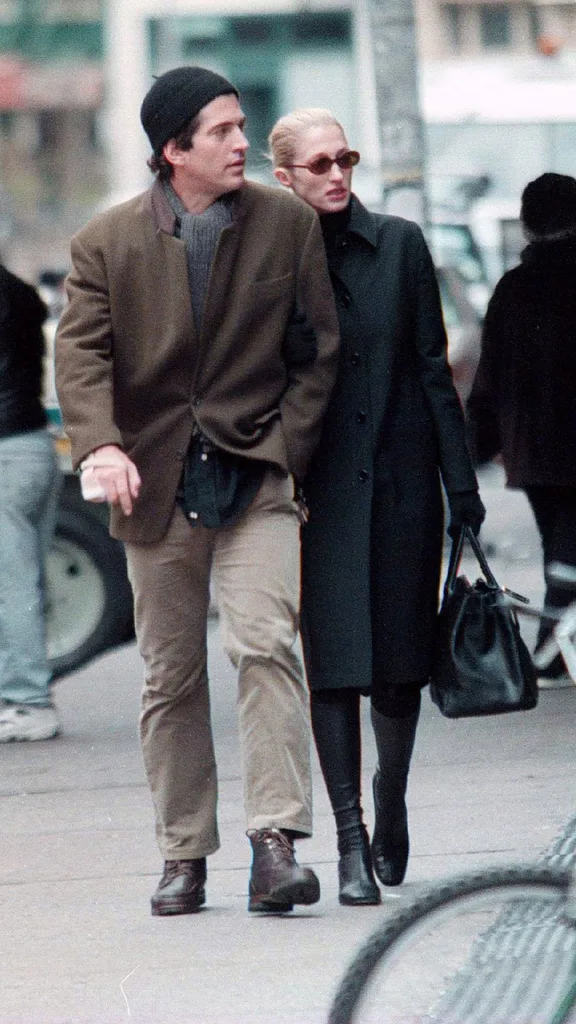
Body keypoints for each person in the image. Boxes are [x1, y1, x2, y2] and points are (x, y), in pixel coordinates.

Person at [55, 68, 339, 916]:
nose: (242, 142)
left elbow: (317, 351)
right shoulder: (104, 243)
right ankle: (184, 852)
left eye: (242, 126)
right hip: (155, 477)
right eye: (220, 131)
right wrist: (101, 441)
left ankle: (277, 843)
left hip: (255, 470)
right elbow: (81, 355)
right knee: (170, 676)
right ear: (172, 149)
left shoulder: (286, 224)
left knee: (265, 646)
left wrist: (285, 447)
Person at [269, 108, 484, 904]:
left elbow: (433, 369)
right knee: (333, 669)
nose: (335, 174)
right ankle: (351, 839)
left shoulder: (399, 245)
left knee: (399, 670)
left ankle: (391, 791)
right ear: (283, 176)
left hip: (402, 483)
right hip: (317, 490)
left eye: (345, 159)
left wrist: (461, 489)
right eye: (318, 164)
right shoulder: (272, 259)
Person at [467, 172, 576, 688]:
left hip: (533, 450)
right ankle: (550, 652)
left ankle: (554, 651)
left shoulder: (513, 289)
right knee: (567, 550)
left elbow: (489, 377)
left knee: (560, 541)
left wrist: (478, 446)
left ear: (530, 227)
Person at [0, 264, 61, 742]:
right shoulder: (20, 293)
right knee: (26, 581)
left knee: (11, 585)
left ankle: (28, 701)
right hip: (33, 444)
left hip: (4, 452)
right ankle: (22, 696)